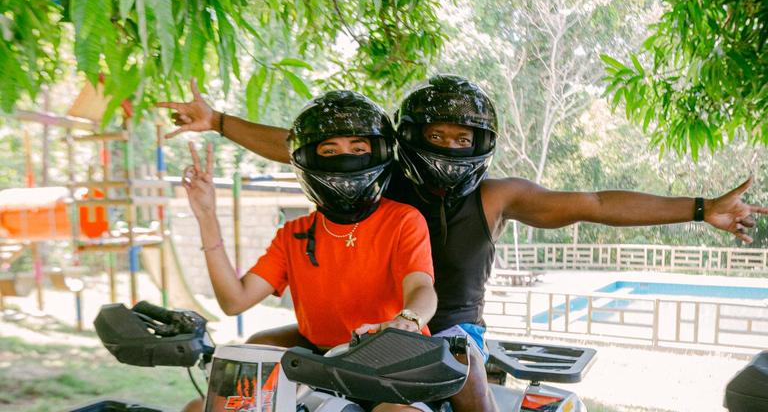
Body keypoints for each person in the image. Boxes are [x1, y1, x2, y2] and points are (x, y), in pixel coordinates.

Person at [160, 75, 768, 412]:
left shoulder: (496, 196)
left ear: (481, 141)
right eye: (438, 135)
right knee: (251, 350)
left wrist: (699, 208)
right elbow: (315, 143)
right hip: (361, 324)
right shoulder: (378, 177)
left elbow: (596, 205)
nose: (450, 147)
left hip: (444, 327)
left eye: (463, 137)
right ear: (410, 137)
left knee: (464, 358)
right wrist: (219, 123)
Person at [180, 90, 437, 412]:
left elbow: (421, 286)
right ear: (308, 160)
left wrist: (408, 320)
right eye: (330, 151)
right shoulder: (295, 233)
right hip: (323, 365)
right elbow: (235, 301)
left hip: (394, 362)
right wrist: (206, 216)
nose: (345, 158)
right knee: (198, 408)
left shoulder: (403, 220)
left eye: (358, 148)